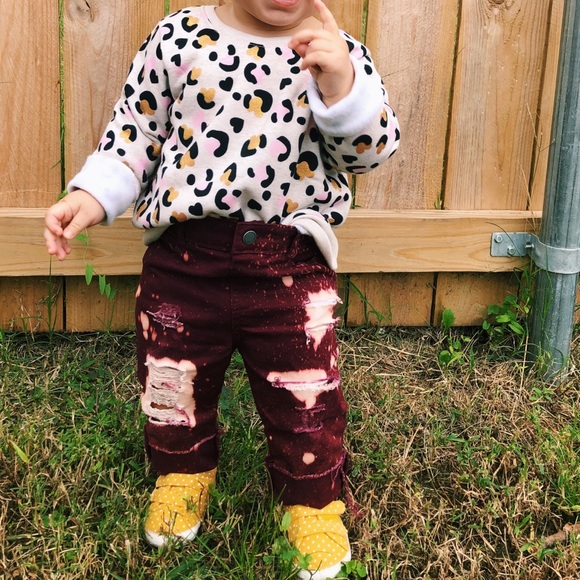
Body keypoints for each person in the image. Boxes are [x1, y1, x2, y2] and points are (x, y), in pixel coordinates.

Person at [44, 0, 399, 577]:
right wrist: (92, 195)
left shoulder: (337, 51)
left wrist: (341, 86)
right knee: (171, 382)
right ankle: (183, 470)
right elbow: (135, 132)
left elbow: (370, 154)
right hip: (184, 260)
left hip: (290, 262)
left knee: (306, 394)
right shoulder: (179, 36)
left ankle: (311, 497)